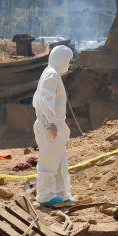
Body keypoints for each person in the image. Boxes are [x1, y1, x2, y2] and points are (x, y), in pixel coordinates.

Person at [33, 45, 74, 207]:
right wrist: (51, 123)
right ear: (61, 59)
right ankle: (45, 195)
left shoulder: (52, 73)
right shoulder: (51, 74)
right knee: (49, 162)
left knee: (60, 162)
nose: (69, 64)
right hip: (50, 125)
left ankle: (61, 193)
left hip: (55, 125)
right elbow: (45, 99)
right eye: (68, 60)